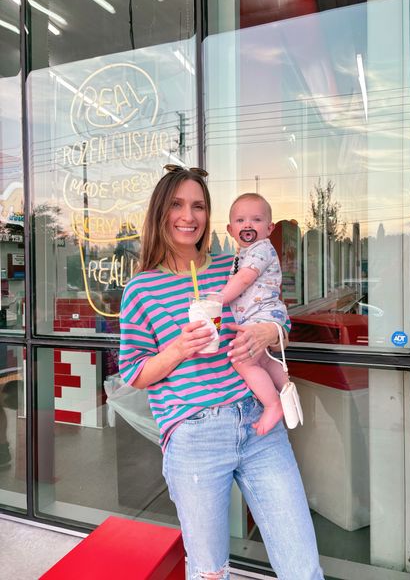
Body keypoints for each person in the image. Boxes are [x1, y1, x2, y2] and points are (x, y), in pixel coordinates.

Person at [119, 165, 324, 580]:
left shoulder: (234, 266)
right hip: (195, 434)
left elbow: (274, 314)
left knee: (302, 567)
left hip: (258, 422)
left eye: (198, 206)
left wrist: (268, 332)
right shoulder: (140, 289)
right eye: (177, 205)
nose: (188, 216)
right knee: (210, 572)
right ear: (160, 212)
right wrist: (178, 348)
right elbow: (135, 373)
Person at [220, 193, 288, 435]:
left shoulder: (261, 249)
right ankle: (286, 389)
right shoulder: (243, 255)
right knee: (264, 360)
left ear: (269, 228)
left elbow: (244, 278)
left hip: (262, 315)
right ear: (230, 229)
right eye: (240, 221)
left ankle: (272, 404)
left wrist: (219, 299)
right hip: (261, 316)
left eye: (256, 220)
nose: (247, 225)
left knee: (242, 361)